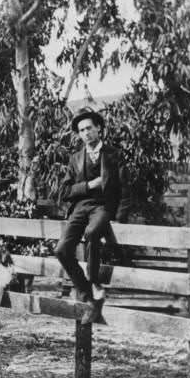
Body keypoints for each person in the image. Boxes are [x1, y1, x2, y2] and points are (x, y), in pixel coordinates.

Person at [55, 108, 128, 322]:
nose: (86, 133)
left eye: (89, 128)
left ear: (99, 129)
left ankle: (94, 282)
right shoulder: (75, 158)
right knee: (61, 250)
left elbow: (125, 189)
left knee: (92, 232)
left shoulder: (114, 155)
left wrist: (121, 219)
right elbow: (64, 192)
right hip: (80, 208)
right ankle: (87, 292)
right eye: (81, 130)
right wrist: (88, 185)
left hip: (103, 207)